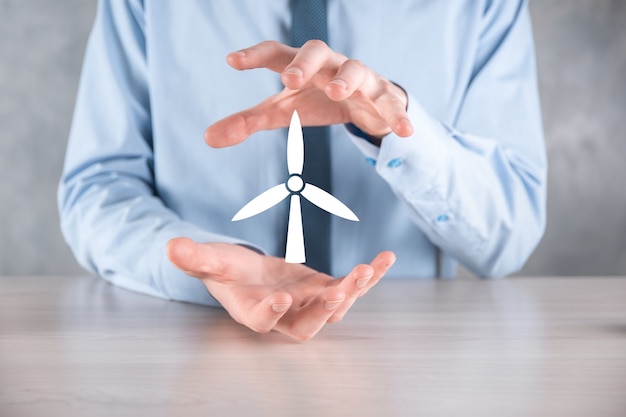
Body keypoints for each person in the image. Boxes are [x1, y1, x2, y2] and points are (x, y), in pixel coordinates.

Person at [59, 0, 546, 341]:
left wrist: (399, 129)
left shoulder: (482, 5)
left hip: (406, 356)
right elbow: (98, 189)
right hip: (194, 342)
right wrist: (206, 269)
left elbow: (510, 233)